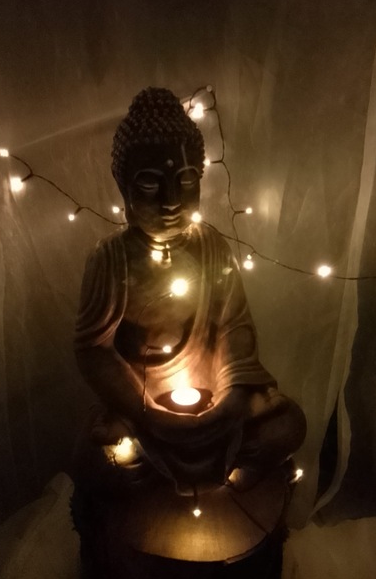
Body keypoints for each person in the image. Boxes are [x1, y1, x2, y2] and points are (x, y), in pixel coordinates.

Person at [74, 87, 306, 497]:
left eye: (185, 181)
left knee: (288, 426)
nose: (171, 202)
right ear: (124, 188)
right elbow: (93, 350)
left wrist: (232, 399)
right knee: (93, 457)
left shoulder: (211, 247)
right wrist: (145, 410)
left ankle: (208, 472)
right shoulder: (110, 258)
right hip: (143, 404)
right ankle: (164, 474)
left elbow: (235, 328)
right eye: (150, 185)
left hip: (214, 397)